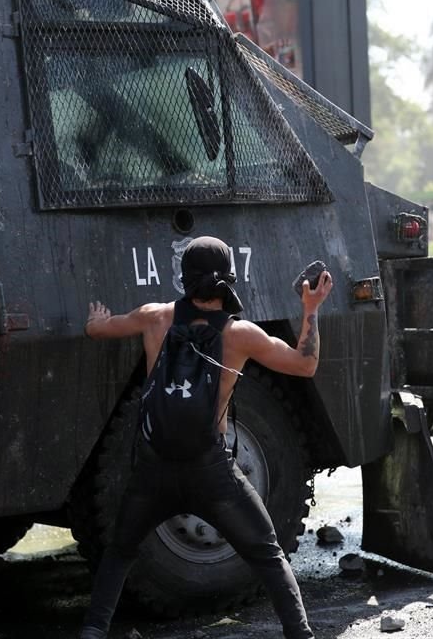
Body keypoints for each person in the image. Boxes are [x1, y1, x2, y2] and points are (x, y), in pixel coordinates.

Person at [80, 236, 333, 639]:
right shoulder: (240, 334)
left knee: (120, 553)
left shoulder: (154, 317)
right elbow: (305, 364)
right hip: (212, 474)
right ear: (228, 279)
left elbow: (99, 330)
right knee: (267, 555)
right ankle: (300, 635)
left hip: (154, 470)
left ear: (184, 278)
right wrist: (310, 310)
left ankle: (92, 632)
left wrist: (96, 319)